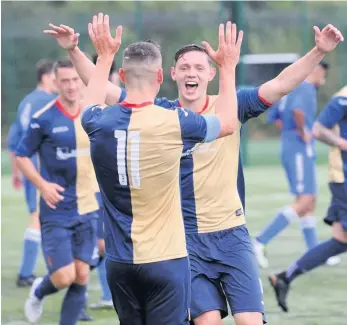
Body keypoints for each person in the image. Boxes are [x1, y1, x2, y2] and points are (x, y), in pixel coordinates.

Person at [45, 18, 344, 325]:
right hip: (186, 242)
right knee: (206, 321)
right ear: (171, 74)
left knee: (250, 321)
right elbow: (105, 90)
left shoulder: (232, 104)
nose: (192, 73)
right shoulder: (161, 113)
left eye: (200, 67)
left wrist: (318, 51)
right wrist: (75, 51)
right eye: (185, 67)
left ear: (212, 73)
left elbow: (280, 84)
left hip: (232, 236)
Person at [80, 14, 240, 325]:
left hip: (119, 262)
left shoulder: (96, 121)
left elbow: (92, 97)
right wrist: (228, 68)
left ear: (122, 76)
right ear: (159, 78)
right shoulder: (175, 121)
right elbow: (229, 123)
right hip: (166, 259)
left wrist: (104, 57)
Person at [16, 58, 99, 325]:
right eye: (65, 81)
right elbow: (21, 155)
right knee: (65, 276)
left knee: (82, 274)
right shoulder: (44, 119)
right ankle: (39, 290)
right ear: (56, 82)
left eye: (76, 80)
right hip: (57, 210)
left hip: (88, 206)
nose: (72, 86)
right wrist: (42, 185)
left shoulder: (93, 114)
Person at [253, 62, 341, 268]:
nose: (323, 80)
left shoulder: (292, 89)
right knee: (305, 201)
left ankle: (314, 252)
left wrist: (290, 132)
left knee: (307, 201)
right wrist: (302, 133)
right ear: (316, 71)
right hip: (299, 148)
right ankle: (259, 241)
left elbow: (275, 116)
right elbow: (298, 112)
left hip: (292, 145)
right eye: (323, 75)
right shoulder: (305, 87)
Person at [269, 85, 347, 312]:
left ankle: (285, 276)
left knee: (340, 241)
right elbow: (319, 130)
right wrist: (342, 144)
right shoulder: (342, 98)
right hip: (344, 177)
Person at [7, 59, 57, 287]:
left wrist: (17, 171)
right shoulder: (49, 101)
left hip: (28, 164)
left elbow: (14, 140)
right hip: (42, 166)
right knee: (39, 218)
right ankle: (27, 274)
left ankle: (33, 272)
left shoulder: (26, 101)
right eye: (57, 78)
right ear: (47, 77)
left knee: (37, 216)